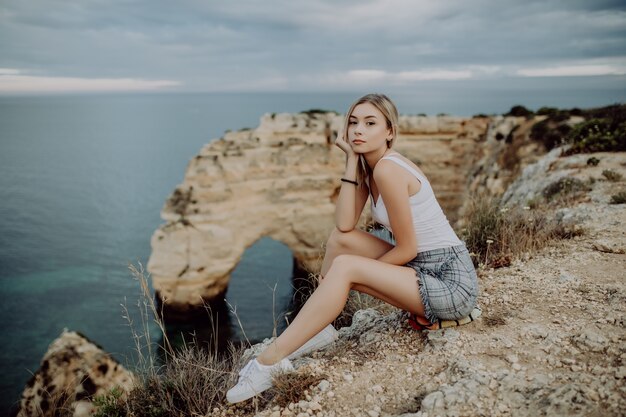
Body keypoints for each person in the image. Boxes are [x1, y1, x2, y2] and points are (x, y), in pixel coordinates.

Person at [226, 93, 479, 404]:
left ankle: (267, 362)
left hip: (450, 282)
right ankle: (320, 326)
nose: (358, 130)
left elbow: (409, 247)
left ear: (390, 131)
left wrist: (357, 275)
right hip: (423, 270)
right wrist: (350, 160)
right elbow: (345, 225)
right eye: (353, 122)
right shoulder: (369, 169)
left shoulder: (388, 169)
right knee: (339, 242)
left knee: (346, 267)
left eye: (370, 123)